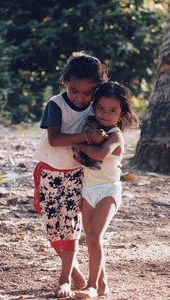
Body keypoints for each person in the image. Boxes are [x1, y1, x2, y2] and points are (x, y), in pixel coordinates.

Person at [33, 51, 108, 298]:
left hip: (76, 174)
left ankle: (65, 278)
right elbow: (54, 139)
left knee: (70, 226)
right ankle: (75, 271)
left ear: (97, 89)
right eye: (75, 91)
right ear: (65, 82)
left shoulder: (96, 108)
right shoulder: (56, 104)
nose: (80, 97)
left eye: (88, 93)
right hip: (48, 172)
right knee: (52, 227)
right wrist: (87, 137)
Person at [75, 81, 140, 298]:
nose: (105, 113)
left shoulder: (115, 135)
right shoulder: (89, 129)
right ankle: (102, 284)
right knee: (91, 239)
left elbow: (100, 154)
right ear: (94, 108)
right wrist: (83, 139)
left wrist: (78, 144)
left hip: (108, 191)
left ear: (121, 114)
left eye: (113, 110)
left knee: (94, 236)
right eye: (101, 108)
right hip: (87, 191)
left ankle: (91, 285)